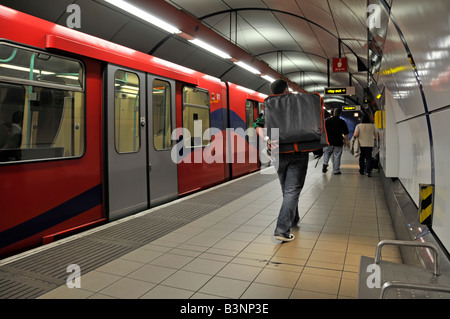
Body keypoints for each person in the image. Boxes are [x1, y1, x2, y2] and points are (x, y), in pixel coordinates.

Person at [254, 79, 309, 242]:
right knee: (292, 191)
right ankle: (282, 230)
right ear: (286, 90)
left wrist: (267, 138)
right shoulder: (297, 104)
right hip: (297, 152)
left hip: (278, 153)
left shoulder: (270, 107)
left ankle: (293, 218)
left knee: (287, 189)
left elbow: (257, 124)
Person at [322, 108, 349, 175]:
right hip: (338, 141)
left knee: (326, 153)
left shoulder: (326, 121)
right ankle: (336, 170)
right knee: (337, 156)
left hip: (328, 141)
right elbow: (346, 133)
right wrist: (346, 141)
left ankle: (325, 163)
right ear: (340, 114)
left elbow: (322, 131)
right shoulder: (342, 121)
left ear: (331, 114)